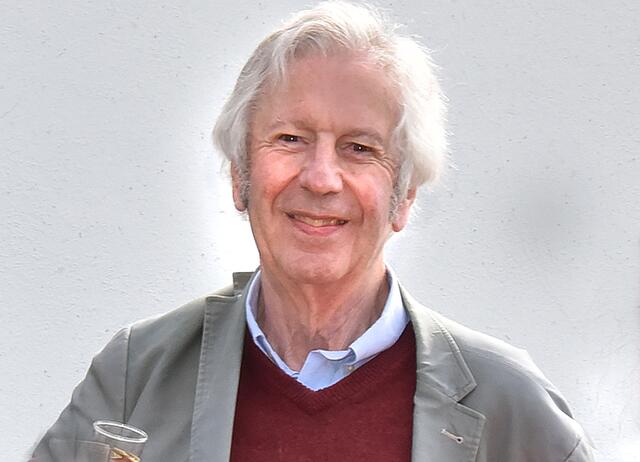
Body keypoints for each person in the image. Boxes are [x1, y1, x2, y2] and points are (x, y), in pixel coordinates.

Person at [32, 1, 595, 461]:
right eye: (290, 139)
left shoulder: (508, 406)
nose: (322, 178)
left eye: (360, 148)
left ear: (404, 198)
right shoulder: (136, 374)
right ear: (240, 178)